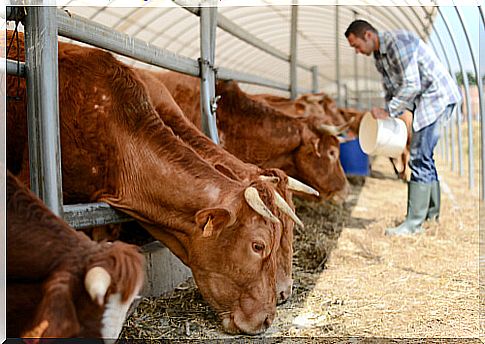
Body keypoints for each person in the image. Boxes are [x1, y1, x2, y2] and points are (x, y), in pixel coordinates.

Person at [344, 20, 462, 236]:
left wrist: (389, 110)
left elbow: (411, 85)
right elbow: (391, 90)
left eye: (356, 45)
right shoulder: (379, 58)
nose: (357, 51)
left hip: (437, 98)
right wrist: (386, 111)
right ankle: (431, 216)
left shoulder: (398, 43)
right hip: (425, 101)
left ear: (368, 35)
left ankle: (413, 223)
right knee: (425, 157)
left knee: (417, 156)